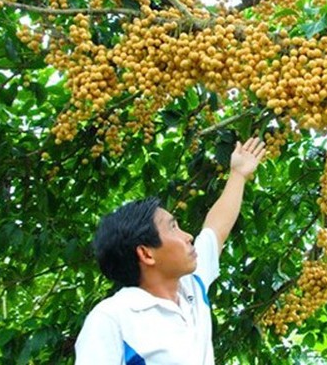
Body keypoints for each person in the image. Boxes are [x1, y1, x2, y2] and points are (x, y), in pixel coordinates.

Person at [75, 137, 266, 365]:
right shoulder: (112, 318)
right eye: (173, 227)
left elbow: (216, 229)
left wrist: (238, 174)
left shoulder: (192, 287)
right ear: (146, 254)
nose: (188, 236)